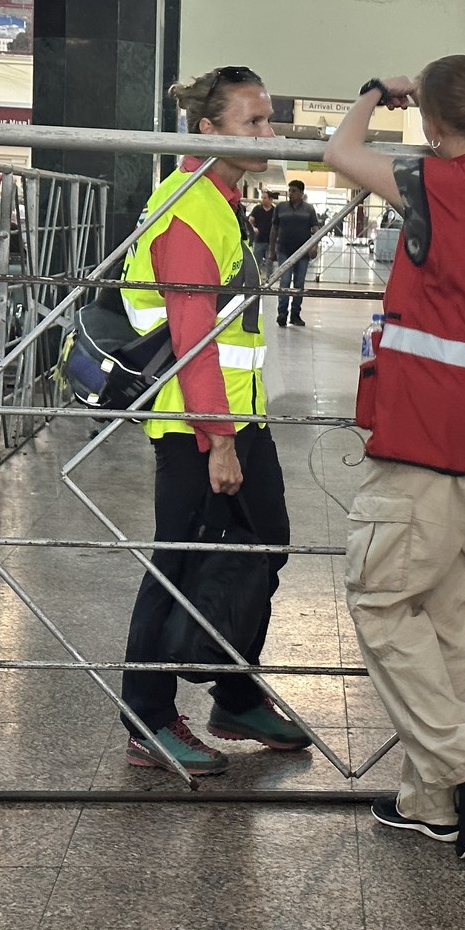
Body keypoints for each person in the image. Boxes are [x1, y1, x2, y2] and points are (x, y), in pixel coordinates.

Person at [324, 55, 465, 859]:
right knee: (453, 622)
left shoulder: (435, 185)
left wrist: (371, 91)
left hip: (431, 440)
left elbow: (336, 151)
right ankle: (432, 802)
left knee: (381, 602)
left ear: (429, 120)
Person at [118, 64, 308, 776]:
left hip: (235, 417)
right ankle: (148, 716)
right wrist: (217, 441)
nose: (269, 132)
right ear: (209, 129)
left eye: (269, 118)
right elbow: (193, 332)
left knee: (262, 545)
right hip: (194, 424)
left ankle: (232, 692)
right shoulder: (191, 205)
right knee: (179, 561)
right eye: (253, 121)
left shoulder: (221, 198)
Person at [272, 178, 319, 326]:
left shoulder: (309, 209)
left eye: (294, 191)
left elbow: (316, 229)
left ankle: (295, 315)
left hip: (302, 252)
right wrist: (271, 248)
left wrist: (314, 246)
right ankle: (282, 313)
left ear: (301, 193)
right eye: (289, 191)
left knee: (299, 284)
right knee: (284, 282)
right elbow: (274, 229)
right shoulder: (280, 207)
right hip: (284, 250)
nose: (290, 193)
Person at [248, 187, 276, 275]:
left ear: (271, 199)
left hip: (270, 241)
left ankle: (269, 281)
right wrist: (253, 228)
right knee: (256, 261)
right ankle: (255, 279)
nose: (263, 200)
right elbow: (250, 220)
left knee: (269, 263)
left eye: (265, 198)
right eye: (262, 198)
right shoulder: (257, 209)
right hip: (259, 240)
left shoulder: (274, 211)